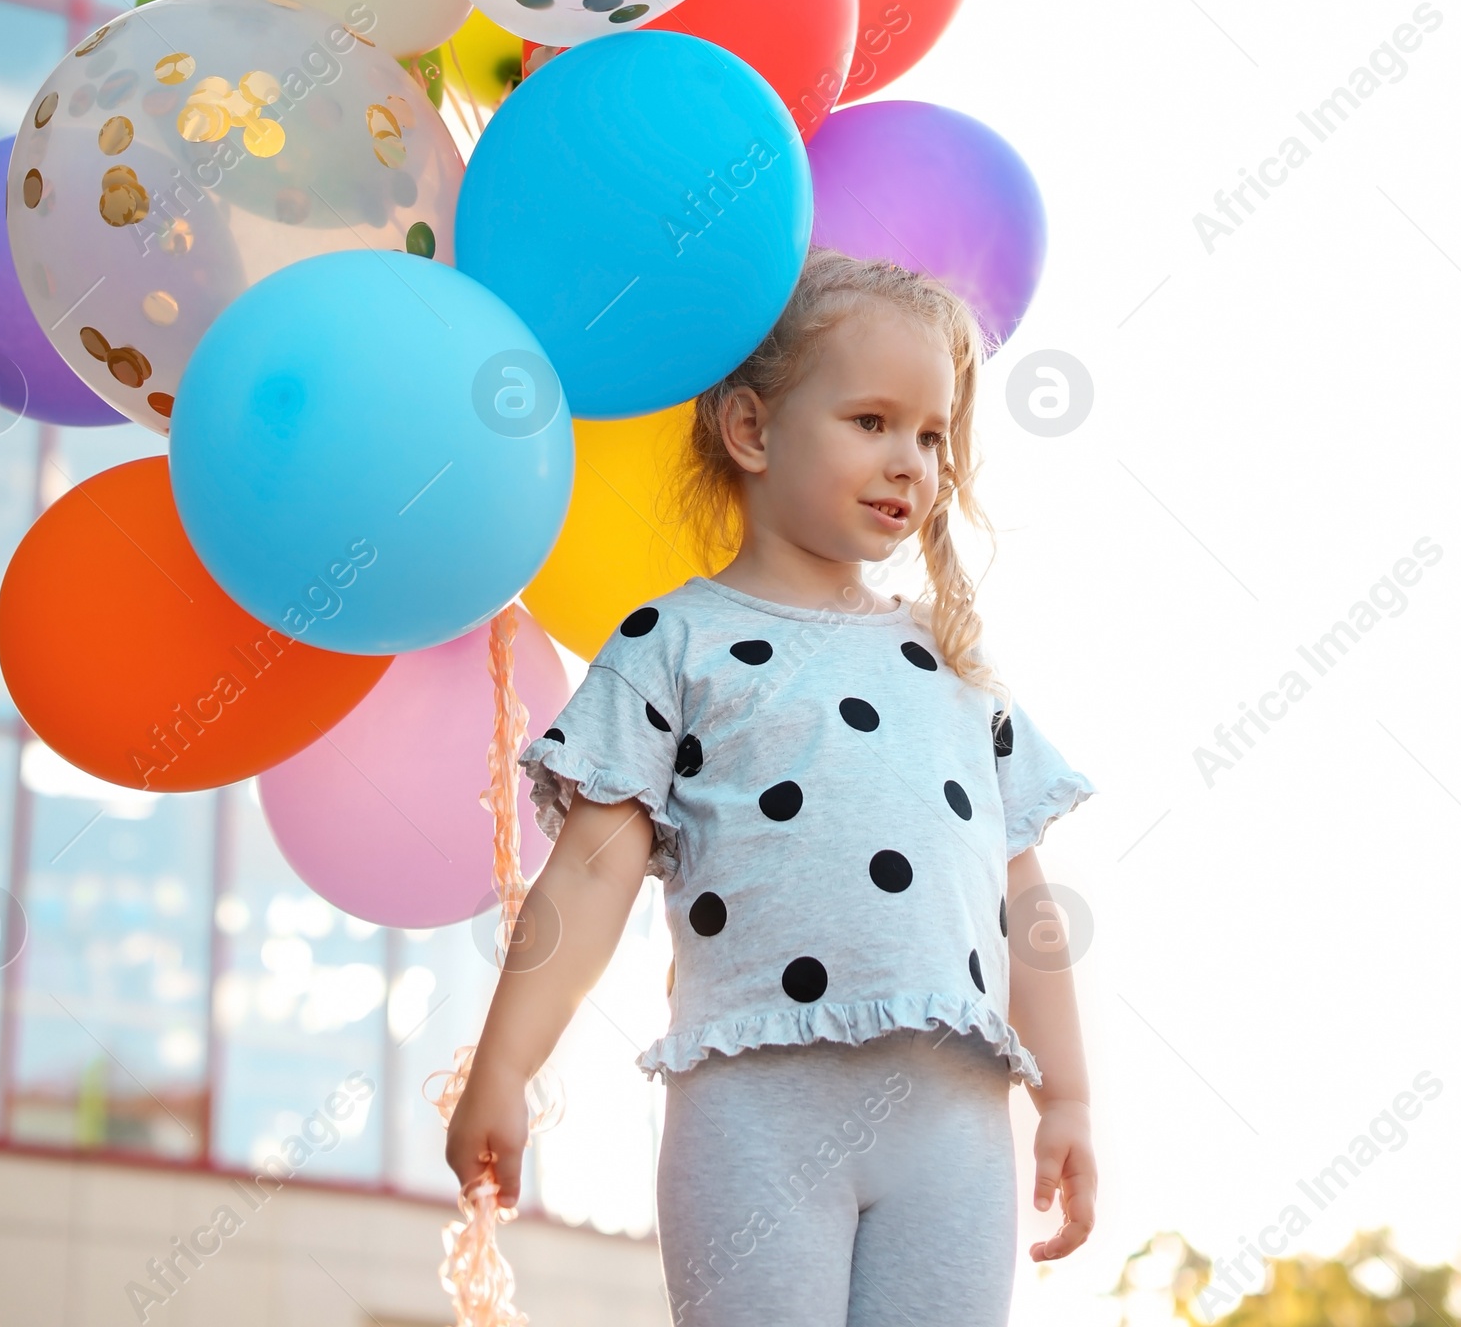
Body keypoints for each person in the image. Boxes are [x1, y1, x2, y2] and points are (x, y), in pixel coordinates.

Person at [446, 248, 1096, 1326]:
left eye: (932, 435)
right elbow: (589, 882)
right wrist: (503, 1068)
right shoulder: (673, 643)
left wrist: (1066, 1096)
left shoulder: (952, 668)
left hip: (954, 1120)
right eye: (872, 422)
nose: (911, 463)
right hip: (755, 1113)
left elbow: (1024, 905)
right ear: (751, 431)